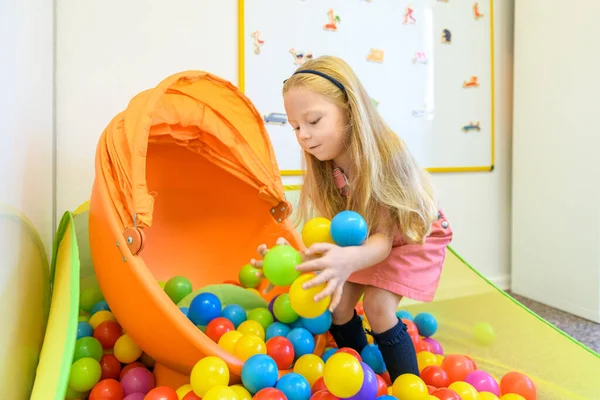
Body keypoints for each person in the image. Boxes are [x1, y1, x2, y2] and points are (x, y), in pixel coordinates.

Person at [250, 55, 453, 382]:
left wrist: (350, 258)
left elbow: (384, 241)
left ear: (349, 110)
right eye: (296, 127)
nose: (303, 135)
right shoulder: (328, 169)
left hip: (412, 235)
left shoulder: (383, 159)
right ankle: (365, 377)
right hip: (368, 240)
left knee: (378, 306)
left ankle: (407, 386)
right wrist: (293, 262)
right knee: (339, 305)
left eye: (313, 121)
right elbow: (338, 234)